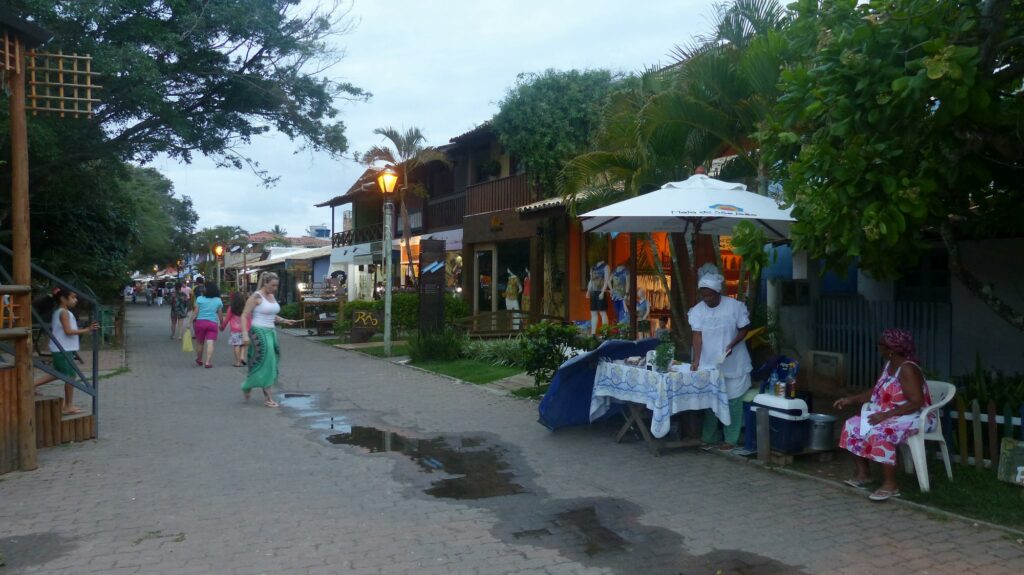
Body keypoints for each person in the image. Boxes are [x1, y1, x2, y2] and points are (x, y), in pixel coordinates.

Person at [835, 328, 932, 502]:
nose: (878, 347)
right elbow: (876, 391)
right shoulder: (889, 365)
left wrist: (884, 416)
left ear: (891, 350)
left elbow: (916, 402)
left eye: (881, 345)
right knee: (852, 425)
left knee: (881, 432)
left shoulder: (907, 369)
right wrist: (851, 400)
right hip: (892, 414)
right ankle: (864, 474)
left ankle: (891, 484)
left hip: (915, 416)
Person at [688, 264, 752, 451]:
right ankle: (708, 437)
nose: (707, 299)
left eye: (710, 295)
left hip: (734, 362)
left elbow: (744, 329)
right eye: (704, 296)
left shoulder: (735, 306)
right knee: (711, 401)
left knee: (732, 401)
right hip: (710, 364)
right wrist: (696, 360)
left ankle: (730, 439)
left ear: (718, 293)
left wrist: (733, 344)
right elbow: (697, 336)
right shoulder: (697, 310)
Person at [33, 287, 99, 414]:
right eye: (73, 297)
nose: (76, 300)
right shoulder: (63, 312)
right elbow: (68, 331)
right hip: (62, 349)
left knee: (58, 372)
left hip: (64, 348)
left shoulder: (63, 311)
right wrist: (87, 329)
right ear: (63, 299)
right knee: (69, 376)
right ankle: (68, 405)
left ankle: (31, 386)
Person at [241, 272, 299, 407]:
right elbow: (244, 315)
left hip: (271, 332)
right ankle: (267, 397)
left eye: (276, 285)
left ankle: (248, 384)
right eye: (272, 285)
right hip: (259, 332)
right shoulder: (256, 297)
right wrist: (244, 334)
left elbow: (271, 314)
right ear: (265, 283)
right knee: (268, 362)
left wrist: (284, 320)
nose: (275, 288)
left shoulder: (271, 296)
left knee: (270, 361)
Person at [190, 282, 224, 368]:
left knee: (200, 343)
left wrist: (190, 322)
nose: (203, 289)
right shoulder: (218, 300)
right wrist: (222, 324)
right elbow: (220, 314)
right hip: (212, 323)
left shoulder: (200, 299)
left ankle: (199, 359)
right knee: (210, 343)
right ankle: (208, 362)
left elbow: (195, 312)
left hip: (200, 323)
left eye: (204, 288)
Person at [221, 291, 248, 368]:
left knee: (236, 344)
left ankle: (238, 362)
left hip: (235, 329)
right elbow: (249, 318)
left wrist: (222, 326)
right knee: (243, 344)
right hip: (244, 328)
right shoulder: (245, 307)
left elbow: (227, 319)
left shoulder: (231, 308)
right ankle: (242, 356)